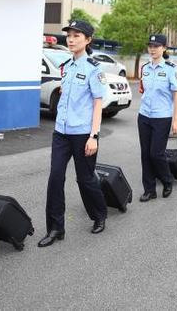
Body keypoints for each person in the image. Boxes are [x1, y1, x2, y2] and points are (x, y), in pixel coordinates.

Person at [39, 20, 108, 248]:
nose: (71, 38)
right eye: (69, 34)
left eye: (77, 35)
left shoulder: (94, 69)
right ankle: (56, 228)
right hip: (61, 132)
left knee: (85, 179)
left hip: (83, 134)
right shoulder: (66, 66)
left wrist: (94, 136)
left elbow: (98, 103)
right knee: (55, 178)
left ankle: (99, 215)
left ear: (87, 40)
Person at [137, 34, 177, 202]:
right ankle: (149, 190)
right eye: (150, 46)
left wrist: (176, 120)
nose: (153, 49)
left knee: (156, 153)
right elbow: (144, 90)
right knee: (145, 154)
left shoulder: (170, 69)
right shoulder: (145, 68)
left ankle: (167, 180)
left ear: (164, 48)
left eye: (156, 46)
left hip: (162, 117)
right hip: (144, 116)